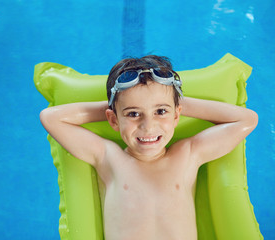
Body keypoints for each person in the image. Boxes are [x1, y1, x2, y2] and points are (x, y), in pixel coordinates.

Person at [40, 55, 258, 240]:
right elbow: (50, 118)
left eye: (160, 112)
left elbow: (247, 120)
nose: (148, 126)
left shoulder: (188, 154)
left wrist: (172, 101)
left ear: (177, 114)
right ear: (113, 121)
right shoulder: (108, 157)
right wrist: (117, 105)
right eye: (133, 114)